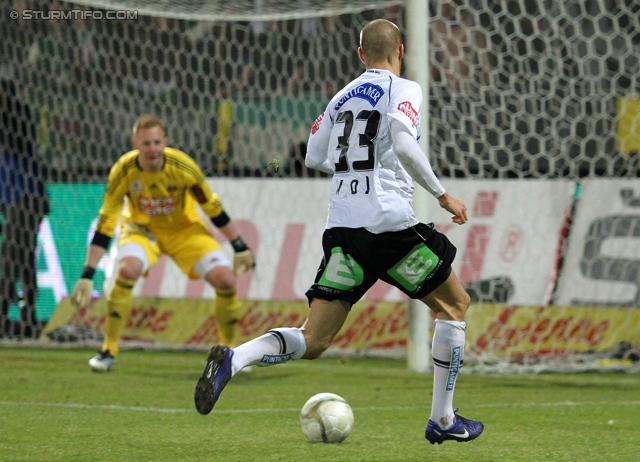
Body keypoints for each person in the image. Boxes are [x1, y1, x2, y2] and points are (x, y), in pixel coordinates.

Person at [193, 19, 484, 445]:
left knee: (314, 339)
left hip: (344, 230)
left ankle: (235, 359)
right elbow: (403, 142)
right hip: (390, 229)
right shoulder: (405, 89)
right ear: (400, 51)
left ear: (360, 54)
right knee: (455, 306)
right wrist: (442, 196)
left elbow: (313, 156)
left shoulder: (340, 97)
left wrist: (353, 167)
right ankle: (442, 419)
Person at [70, 114, 255, 372]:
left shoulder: (183, 167)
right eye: (146, 143)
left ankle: (230, 354)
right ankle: (108, 350)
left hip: (185, 231)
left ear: (165, 142)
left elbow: (212, 207)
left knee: (225, 279)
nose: (152, 149)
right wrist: (87, 274)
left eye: (157, 142)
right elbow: (107, 222)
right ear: (135, 143)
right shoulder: (123, 170)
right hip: (142, 231)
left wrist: (239, 245)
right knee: (127, 269)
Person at [0, 78, 50, 339]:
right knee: (23, 257)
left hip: (26, 197)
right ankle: (28, 315)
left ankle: (3, 313)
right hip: (11, 197)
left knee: (11, 255)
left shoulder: (17, 118)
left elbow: (16, 144)